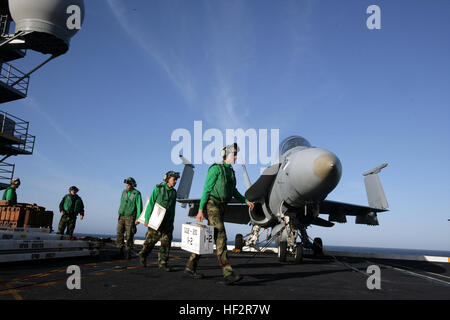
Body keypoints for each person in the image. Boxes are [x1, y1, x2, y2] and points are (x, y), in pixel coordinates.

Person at [185, 143, 255, 285]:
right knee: (221, 236)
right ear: (227, 155)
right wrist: (200, 210)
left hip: (222, 207)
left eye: (236, 154)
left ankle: (190, 266)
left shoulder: (231, 172)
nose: (235, 157)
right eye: (234, 154)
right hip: (213, 205)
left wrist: (245, 200)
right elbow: (206, 189)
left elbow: (233, 191)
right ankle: (227, 273)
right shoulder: (216, 169)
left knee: (208, 239)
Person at [136, 171, 179, 271]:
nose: (175, 181)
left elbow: (173, 208)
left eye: (176, 180)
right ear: (168, 179)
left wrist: (172, 220)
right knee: (151, 241)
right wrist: (147, 219)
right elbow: (151, 203)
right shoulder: (158, 189)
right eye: (174, 179)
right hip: (156, 221)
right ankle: (143, 255)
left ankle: (163, 263)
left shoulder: (174, 192)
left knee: (166, 243)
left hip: (168, 222)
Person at [117, 177, 142, 259]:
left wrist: (138, 218)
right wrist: (119, 212)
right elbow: (122, 202)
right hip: (122, 216)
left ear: (132, 185)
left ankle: (128, 253)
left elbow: (139, 206)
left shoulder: (136, 193)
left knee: (129, 235)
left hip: (130, 217)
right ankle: (120, 251)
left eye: (128, 184)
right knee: (119, 233)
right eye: (126, 184)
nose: (126, 186)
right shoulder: (124, 192)